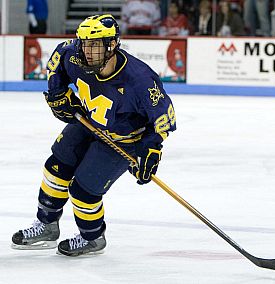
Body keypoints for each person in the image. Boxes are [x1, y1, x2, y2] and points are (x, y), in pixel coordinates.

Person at [11, 14, 176, 256]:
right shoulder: (74, 55)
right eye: (85, 44)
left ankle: (92, 237)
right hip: (89, 123)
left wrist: (151, 148)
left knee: (83, 190)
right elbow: (58, 60)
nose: (87, 51)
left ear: (112, 45)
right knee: (56, 167)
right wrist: (58, 95)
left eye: (95, 45)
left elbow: (164, 119)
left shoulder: (140, 80)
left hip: (123, 140)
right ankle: (46, 225)